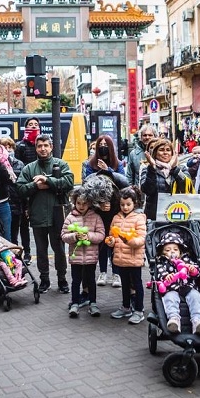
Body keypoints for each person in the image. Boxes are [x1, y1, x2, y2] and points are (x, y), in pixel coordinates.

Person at [16, 134, 74, 294]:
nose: (43, 149)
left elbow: (69, 182)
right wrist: (35, 186)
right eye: (39, 146)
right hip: (37, 214)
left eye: (46, 145)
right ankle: (44, 280)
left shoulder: (61, 164)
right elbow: (20, 188)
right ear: (35, 148)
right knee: (41, 251)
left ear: (51, 147)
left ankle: (62, 280)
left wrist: (48, 181)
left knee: (60, 250)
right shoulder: (29, 168)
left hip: (58, 213)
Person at [82, 137, 128, 287]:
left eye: (105, 145)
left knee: (114, 240)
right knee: (101, 242)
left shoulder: (118, 164)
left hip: (115, 209)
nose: (102, 147)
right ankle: (102, 272)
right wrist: (98, 204)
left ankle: (117, 273)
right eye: (100, 145)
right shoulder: (90, 164)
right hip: (98, 210)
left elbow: (124, 183)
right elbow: (87, 185)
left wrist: (108, 171)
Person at [61, 186, 105, 318]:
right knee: (76, 280)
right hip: (76, 258)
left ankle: (93, 303)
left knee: (91, 280)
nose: (81, 206)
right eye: (78, 203)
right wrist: (74, 236)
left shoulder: (96, 217)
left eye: (84, 203)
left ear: (90, 203)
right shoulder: (70, 217)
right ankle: (74, 302)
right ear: (74, 203)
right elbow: (64, 235)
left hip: (91, 257)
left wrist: (89, 236)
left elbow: (101, 235)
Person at [106, 187, 147, 325]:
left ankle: (139, 310)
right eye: (122, 204)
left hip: (134, 258)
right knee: (124, 284)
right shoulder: (116, 218)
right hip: (120, 258)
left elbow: (141, 239)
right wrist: (110, 241)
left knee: (136, 284)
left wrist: (128, 241)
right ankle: (126, 307)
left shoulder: (139, 218)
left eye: (128, 204)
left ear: (134, 203)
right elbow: (112, 236)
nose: (125, 207)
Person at [155, 232, 200, 335]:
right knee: (170, 298)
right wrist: (166, 276)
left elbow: (196, 273)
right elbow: (159, 272)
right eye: (168, 250)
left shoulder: (186, 259)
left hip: (187, 286)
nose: (172, 252)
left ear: (180, 251)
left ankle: (197, 320)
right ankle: (174, 319)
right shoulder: (162, 262)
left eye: (175, 249)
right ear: (163, 253)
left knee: (196, 297)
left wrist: (193, 270)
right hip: (171, 288)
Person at [139, 138, 192, 221]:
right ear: (155, 153)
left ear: (172, 153)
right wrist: (152, 168)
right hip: (154, 216)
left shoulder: (181, 169)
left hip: (177, 213)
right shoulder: (147, 170)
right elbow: (147, 190)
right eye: (161, 150)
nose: (165, 153)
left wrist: (174, 169)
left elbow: (187, 187)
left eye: (168, 150)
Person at [0, 137, 29, 265]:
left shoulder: (19, 164)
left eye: (10, 147)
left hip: (17, 204)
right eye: (4, 146)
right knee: (7, 235)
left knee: (15, 233)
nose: (7, 149)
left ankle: (17, 259)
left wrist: (26, 205)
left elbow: (23, 185)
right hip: (4, 203)